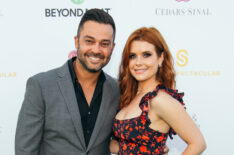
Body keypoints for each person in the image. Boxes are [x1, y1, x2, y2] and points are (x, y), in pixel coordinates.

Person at [15, 9, 120, 155]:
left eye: (104, 43)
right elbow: (25, 150)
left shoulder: (117, 89)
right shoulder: (41, 86)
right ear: (77, 41)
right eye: (89, 41)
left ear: (112, 47)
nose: (96, 50)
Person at [110, 27, 206, 154]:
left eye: (146, 55)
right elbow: (127, 145)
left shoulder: (160, 100)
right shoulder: (130, 96)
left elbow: (198, 143)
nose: (138, 62)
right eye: (132, 56)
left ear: (161, 58)